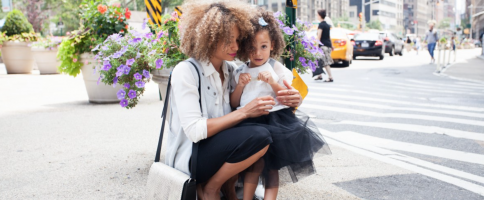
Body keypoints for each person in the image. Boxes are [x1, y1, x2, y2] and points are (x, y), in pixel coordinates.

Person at [165, 2, 303, 200]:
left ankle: (228, 189)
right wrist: (245, 111)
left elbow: (271, 93)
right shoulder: (186, 71)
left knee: (263, 135)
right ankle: (212, 187)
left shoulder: (231, 70)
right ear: (209, 37)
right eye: (229, 40)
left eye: (238, 40)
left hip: (221, 148)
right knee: (259, 136)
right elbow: (195, 131)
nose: (236, 47)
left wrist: (295, 98)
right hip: (192, 156)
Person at [234, 10, 331, 200]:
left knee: (272, 168)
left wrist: (272, 82)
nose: (258, 52)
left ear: (273, 45)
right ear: (245, 48)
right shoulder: (240, 71)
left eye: (263, 46)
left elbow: (285, 98)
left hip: (275, 122)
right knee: (254, 165)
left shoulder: (277, 69)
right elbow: (234, 102)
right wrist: (239, 85)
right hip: (249, 122)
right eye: (252, 48)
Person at [313, 9, 334, 82]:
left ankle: (330, 77)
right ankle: (319, 75)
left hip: (323, 46)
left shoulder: (321, 25)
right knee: (320, 60)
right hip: (328, 45)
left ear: (319, 15)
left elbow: (319, 36)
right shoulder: (327, 25)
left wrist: (316, 46)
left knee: (325, 62)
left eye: (317, 15)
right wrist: (332, 45)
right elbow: (328, 36)